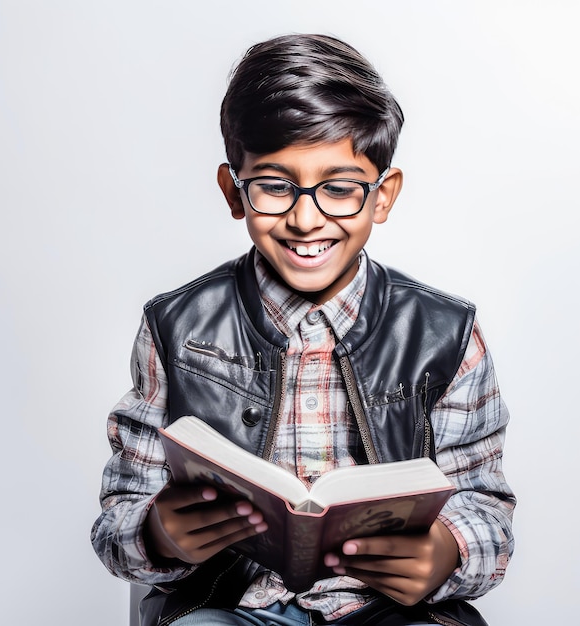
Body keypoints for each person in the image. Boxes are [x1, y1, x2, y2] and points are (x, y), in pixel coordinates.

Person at [91, 33, 515, 626]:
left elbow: (486, 508)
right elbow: (117, 521)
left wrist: (449, 551)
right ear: (233, 191)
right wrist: (158, 533)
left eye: (341, 188)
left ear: (382, 195)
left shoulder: (444, 334)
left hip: (384, 609)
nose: (306, 217)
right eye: (273, 184)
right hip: (230, 604)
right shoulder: (174, 327)